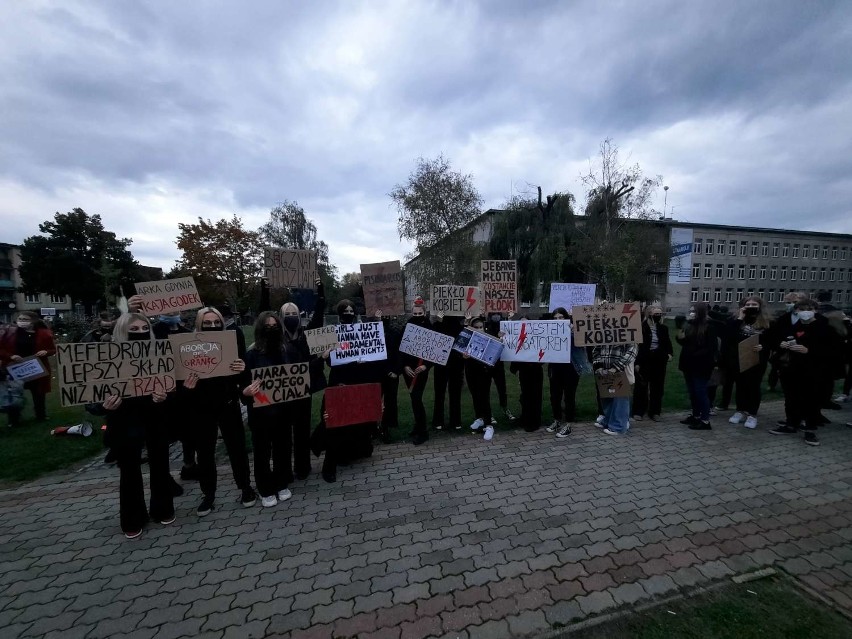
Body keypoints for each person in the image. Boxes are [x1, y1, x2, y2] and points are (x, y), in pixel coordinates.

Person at [100, 313, 175, 538]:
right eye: (135, 328)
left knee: (160, 465)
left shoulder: (158, 353)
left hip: (154, 415)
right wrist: (105, 406)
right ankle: (132, 517)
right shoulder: (106, 357)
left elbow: (171, 385)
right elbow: (92, 394)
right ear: (123, 330)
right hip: (123, 419)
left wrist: (164, 397)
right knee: (129, 470)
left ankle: (163, 507)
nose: (141, 332)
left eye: (145, 328)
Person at [182, 307, 256, 516]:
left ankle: (245, 487)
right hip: (201, 407)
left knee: (237, 449)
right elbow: (180, 384)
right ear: (199, 324)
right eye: (208, 322)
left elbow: (242, 376)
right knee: (204, 453)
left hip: (227, 402)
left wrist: (242, 369)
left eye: (216, 322)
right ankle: (208, 494)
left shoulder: (230, 341)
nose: (213, 326)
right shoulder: (188, 347)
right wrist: (188, 387)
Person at [315, 300, 378, 482]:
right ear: (340, 313)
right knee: (336, 420)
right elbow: (327, 361)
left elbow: (371, 354)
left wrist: (364, 359)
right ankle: (331, 463)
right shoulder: (332, 332)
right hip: (339, 380)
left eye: (352, 310)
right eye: (346, 310)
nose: (349, 313)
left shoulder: (361, 330)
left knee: (357, 418)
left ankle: (354, 451)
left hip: (357, 379)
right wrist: (327, 355)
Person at [241, 311, 293, 507]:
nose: (272, 330)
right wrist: (247, 392)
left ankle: (281, 483)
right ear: (260, 330)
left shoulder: (285, 350)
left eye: (275, 326)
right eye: (267, 327)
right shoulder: (251, 354)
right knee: (262, 453)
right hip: (261, 413)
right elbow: (244, 385)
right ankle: (265, 488)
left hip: (283, 412)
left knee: (283, 449)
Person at [768, 299, 834, 446]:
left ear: (815, 311)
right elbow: (779, 339)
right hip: (791, 369)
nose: (805, 312)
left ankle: (810, 429)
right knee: (791, 398)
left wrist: (809, 351)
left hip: (813, 370)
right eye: (801, 309)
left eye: (809, 309)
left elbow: (831, 351)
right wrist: (782, 344)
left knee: (810, 400)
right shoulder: (794, 326)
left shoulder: (824, 327)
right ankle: (791, 424)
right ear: (796, 311)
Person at [278, 278, 326, 479]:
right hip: (282, 390)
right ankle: (283, 469)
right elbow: (263, 316)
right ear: (281, 317)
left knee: (302, 428)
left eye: (294, 314)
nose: (291, 317)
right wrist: (264, 290)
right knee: (282, 432)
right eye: (287, 314)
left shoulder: (307, 335)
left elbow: (319, 314)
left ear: (299, 316)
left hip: (304, 389)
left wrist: (320, 290)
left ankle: (303, 466)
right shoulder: (277, 338)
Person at [0, 311, 56, 423]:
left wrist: (46, 352)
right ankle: (14, 419)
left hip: (36, 368)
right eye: (20, 319)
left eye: (25, 319)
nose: (21, 321)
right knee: (14, 393)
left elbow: (53, 349)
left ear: (33, 321)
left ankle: (41, 415)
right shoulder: (10, 333)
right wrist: (11, 356)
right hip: (15, 368)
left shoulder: (44, 333)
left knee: (39, 393)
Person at [724, 297, 770, 429]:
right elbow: (729, 336)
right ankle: (740, 410)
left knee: (754, 386)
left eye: (753, 304)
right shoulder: (737, 320)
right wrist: (740, 317)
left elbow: (772, 340)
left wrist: (764, 347)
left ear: (760, 306)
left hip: (757, 359)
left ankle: (752, 414)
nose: (750, 306)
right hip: (740, 358)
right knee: (740, 385)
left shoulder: (767, 321)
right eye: (747, 304)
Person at [676, 302, 719, 430]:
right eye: (690, 311)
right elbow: (685, 342)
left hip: (701, 365)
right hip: (688, 364)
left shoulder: (710, 326)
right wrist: (680, 337)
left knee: (700, 392)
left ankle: (705, 421)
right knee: (693, 392)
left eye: (693, 311)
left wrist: (694, 354)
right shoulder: (690, 325)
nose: (691, 313)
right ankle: (695, 416)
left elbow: (711, 348)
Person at [631, 305, 673, 423]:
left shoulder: (663, 328)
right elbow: (637, 346)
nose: (658, 316)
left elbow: (667, 343)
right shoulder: (641, 327)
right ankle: (638, 411)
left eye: (660, 314)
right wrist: (637, 362)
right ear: (649, 314)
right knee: (641, 387)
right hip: (644, 360)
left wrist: (669, 354)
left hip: (659, 361)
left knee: (658, 387)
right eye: (656, 314)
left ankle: (655, 411)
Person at [400, 300, 431, 445]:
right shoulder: (407, 326)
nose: (417, 315)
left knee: (417, 398)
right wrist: (405, 366)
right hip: (409, 370)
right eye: (415, 313)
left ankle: (423, 432)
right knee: (413, 398)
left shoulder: (429, 327)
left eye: (420, 313)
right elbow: (401, 348)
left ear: (424, 313)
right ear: (411, 313)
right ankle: (417, 426)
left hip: (421, 369)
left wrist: (426, 366)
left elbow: (435, 350)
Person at [591, 340, 638, 435]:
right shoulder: (603, 332)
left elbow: (632, 351)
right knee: (607, 398)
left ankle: (619, 426)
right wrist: (599, 366)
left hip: (620, 371)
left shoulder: (627, 332)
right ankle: (609, 420)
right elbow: (596, 350)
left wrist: (616, 367)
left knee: (620, 399)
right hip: (604, 370)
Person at [546, 307, 579, 439]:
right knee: (555, 396)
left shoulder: (574, 330)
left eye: (561, 318)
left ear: (566, 318)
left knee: (569, 396)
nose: (558, 320)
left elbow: (582, 343)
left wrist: (573, 330)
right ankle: (557, 420)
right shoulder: (549, 331)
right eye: (555, 318)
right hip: (555, 367)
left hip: (571, 368)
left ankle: (569, 424)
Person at [463, 315, 496, 441]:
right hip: (470, 371)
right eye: (475, 327)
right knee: (475, 395)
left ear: (484, 327)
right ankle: (480, 418)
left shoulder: (489, 339)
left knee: (483, 397)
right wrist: (464, 356)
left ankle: (489, 425)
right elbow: (459, 350)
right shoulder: (467, 338)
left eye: (480, 327)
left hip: (484, 372)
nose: (478, 329)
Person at [431, 311, 465, 432]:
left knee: (455, 393)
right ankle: (438, 420)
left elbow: (465, 336)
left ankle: (455, 421)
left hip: (456, 362)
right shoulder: (438, 323)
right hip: (441, 362)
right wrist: (439, 321)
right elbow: (433, 337)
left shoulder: (459, 324)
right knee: (439, 392)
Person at [485, 312, 515, 422]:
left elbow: (512, 335)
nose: (496, 316)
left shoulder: (504, 324)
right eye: (494, 314)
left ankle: (505, 407)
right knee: (486, 389)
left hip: (499, 362)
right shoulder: (486, 325)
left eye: (498, 314)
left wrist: (510, 320)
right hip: (487, 363)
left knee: (502, 388)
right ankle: (488, 413)